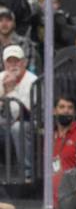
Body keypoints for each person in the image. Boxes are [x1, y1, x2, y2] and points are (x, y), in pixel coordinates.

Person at [0, 43, 36, 179]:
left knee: (17, 127)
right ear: (4, 64)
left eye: (17, 61)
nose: (13, 65)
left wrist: (10, 91)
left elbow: (22, 113)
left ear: (24, 63)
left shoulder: (32, 81)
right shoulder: (0, 77)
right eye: (9, 62)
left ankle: (26, 174)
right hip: (4, 121)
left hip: (29, 122)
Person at [0, 6, 39, 73]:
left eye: (8, 20)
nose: (4, 24)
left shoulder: (25, 43)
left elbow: (29, 69)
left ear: (14, 23)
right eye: (0, 20)